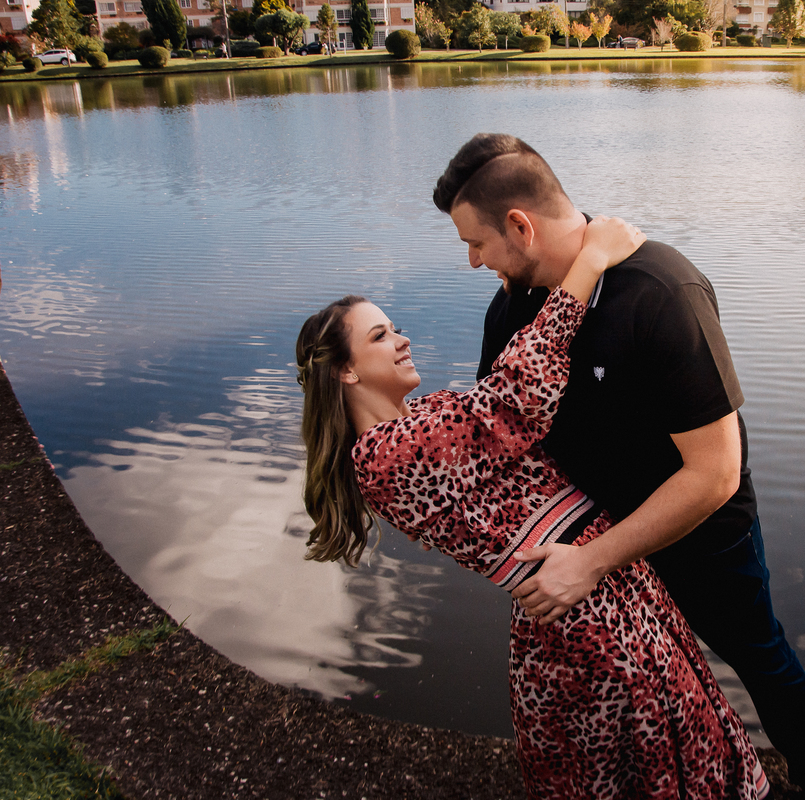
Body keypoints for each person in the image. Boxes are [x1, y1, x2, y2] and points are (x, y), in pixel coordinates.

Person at [295, 217, 771, 800]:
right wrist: (586, 264)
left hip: (599, 585)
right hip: (588, 616)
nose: (402, 339)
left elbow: (508, 409)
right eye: (379, 337)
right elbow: (513, 400)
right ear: (345, 371)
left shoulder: (425, 417)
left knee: (667, 743)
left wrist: (522, 287)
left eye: (395, 328)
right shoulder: (385, 457)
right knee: (650, 761)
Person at [434, 134, 805, 800]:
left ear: (521, 225)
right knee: (634, 686)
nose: (474, 261)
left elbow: (715, 474)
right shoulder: (513, 307)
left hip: (699, 537)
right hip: (592, 542)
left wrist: (593, 561)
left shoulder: (661, 291)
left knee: (758, 654)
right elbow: (503, 431)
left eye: (476, 243)